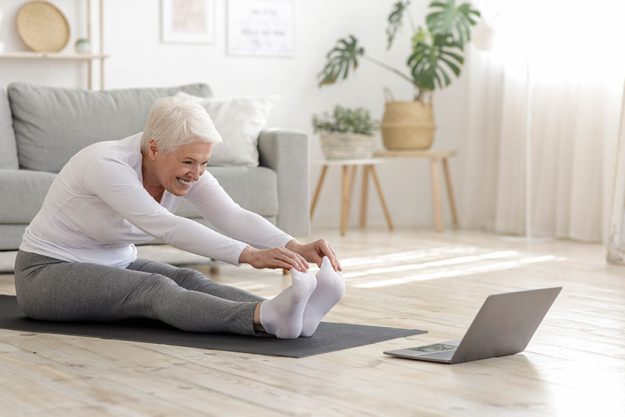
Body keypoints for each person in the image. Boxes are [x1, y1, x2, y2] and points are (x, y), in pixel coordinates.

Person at [13, 97, 345, 339]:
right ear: (154, 148)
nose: (197, 173)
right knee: (153, 288)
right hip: (46, 273)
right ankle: (262, 318)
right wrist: (249, 255)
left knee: (191, 281)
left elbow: (231, 214)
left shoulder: (185, 170)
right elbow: (167, 226)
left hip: (115, 264)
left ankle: (291, 314)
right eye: (189, 162)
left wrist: (294, 246)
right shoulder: (106, 164)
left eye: (204, 163)